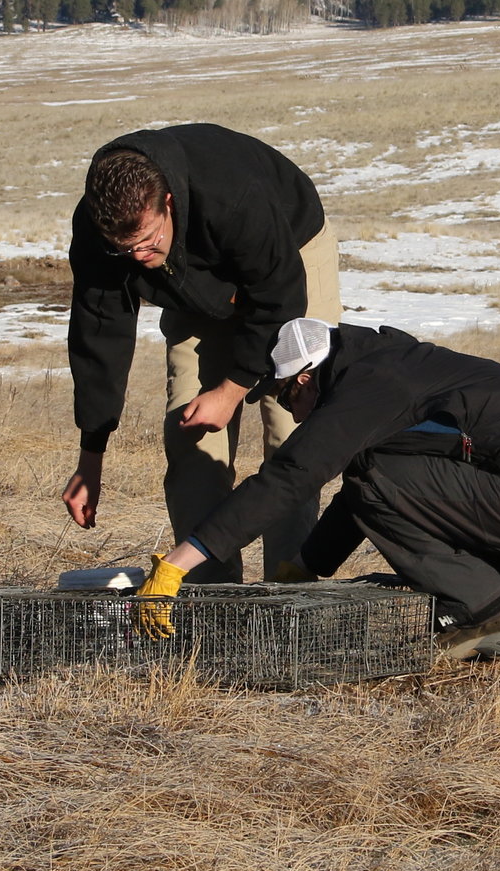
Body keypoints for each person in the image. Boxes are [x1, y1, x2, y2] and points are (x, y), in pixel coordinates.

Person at [128, 318, 500, 674]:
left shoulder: (369, 386)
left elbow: (296, 476)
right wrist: (305, 569)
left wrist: (180, 561)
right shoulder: (385, 366)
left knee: (380, 486)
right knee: (491, 621)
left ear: (302, 379)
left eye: (281, 399)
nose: (289, 413)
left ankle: (481, 610)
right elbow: (376, 488)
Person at [62, 125, 342, 582]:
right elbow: (99, 335)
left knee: (290, 427)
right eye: (124, 250)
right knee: (188, 430)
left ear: (166, 202)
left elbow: (279, 297)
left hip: (289, 255)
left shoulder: (233, 191)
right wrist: (90, 457)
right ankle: (211, 600)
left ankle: (292, 596)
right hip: (193, 289)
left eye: (148, 240)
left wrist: (232, 389)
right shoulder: (102, 233)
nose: (137, 257)